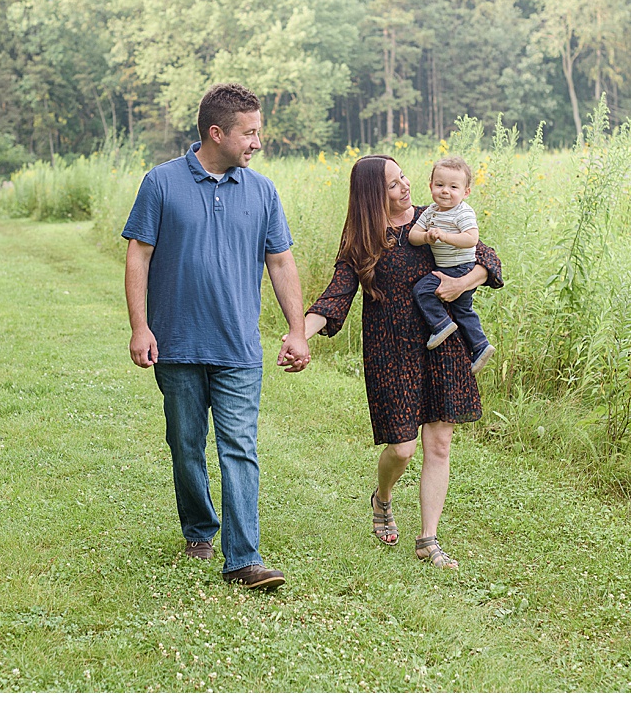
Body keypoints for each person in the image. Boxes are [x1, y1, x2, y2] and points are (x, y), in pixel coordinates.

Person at [122, 83, 310, 591]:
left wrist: (297, 329)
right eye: (249, 133)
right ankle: (199, 529)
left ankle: (243, 558)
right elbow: (138, 255)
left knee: (239, 446)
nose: (256, 142)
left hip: (239, 349)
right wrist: (140, 327)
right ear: (216, 132)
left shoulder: (263, 190)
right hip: (177, 345)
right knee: (186, 445)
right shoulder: (160, 183)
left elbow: (280, 261)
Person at [299, 154, 502, 569]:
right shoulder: (362, 239)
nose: (405, 186)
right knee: (403, 448)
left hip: (443, 342)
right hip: (390, 350)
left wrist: (462, 282)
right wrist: (298, 334)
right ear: (374, 194)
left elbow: (488, 260)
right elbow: (336, 295)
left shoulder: (438, 216)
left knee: (439, 443)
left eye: (404, 176)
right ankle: (383, 497)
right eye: (393, 184)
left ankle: (428, 540)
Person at [407, 156, 495, 376]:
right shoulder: (431, 212)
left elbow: (471, 239)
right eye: (439, 185)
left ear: (466, 192)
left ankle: (441, 325)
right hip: (449, 267)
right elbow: (412, 236)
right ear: (430, 187)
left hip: (460, 267)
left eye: (453, 187)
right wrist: (427, 237)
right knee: (463, 310)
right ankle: (480, 346)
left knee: (422, 290)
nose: (445, 191)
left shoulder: (463, 212)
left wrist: (445, 236)